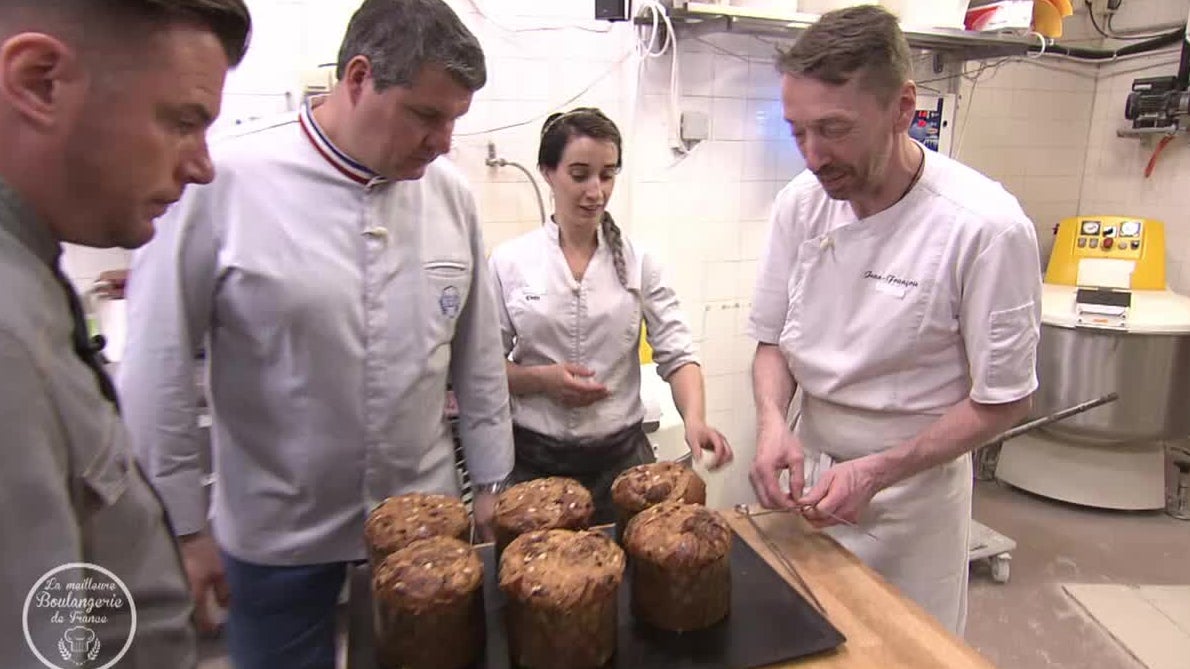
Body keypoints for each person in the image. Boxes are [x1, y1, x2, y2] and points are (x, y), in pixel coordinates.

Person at [117, 0, 513, 666]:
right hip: (278, 540)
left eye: (454, 120)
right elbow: (157, 364)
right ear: (358, 78)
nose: (443, 141)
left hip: (422, 525)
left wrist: (494, 480)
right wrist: (182, 527)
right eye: (426, 115)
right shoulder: (223, 181)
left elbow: (477, 356)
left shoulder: (450, 196)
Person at [747, 5, 1041, 635]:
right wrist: (771, 423)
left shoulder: (985, 228)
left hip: (914, 502)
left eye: (834, 129)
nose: (813, 156)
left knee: (904, 647)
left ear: (903, 108)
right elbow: (771, 342)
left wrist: (877, 471)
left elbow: (1005, 399)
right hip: (811, 481)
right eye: (798, 131)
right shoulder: (801, 205)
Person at [0, 1, 250, 667]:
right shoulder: (8, 338)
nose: (202, 167)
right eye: (182, 122)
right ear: (40, 83)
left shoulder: (30, 279)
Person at [489, 108, 733, 524]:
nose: (596, 191)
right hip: (535, 464)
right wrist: (541, 380)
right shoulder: (510, 262)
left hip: (621, 467)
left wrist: (695, 419)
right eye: (579, 174)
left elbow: (678, 354)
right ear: (548, 172)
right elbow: (485, 367)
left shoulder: (640, 261)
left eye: (607, 175)